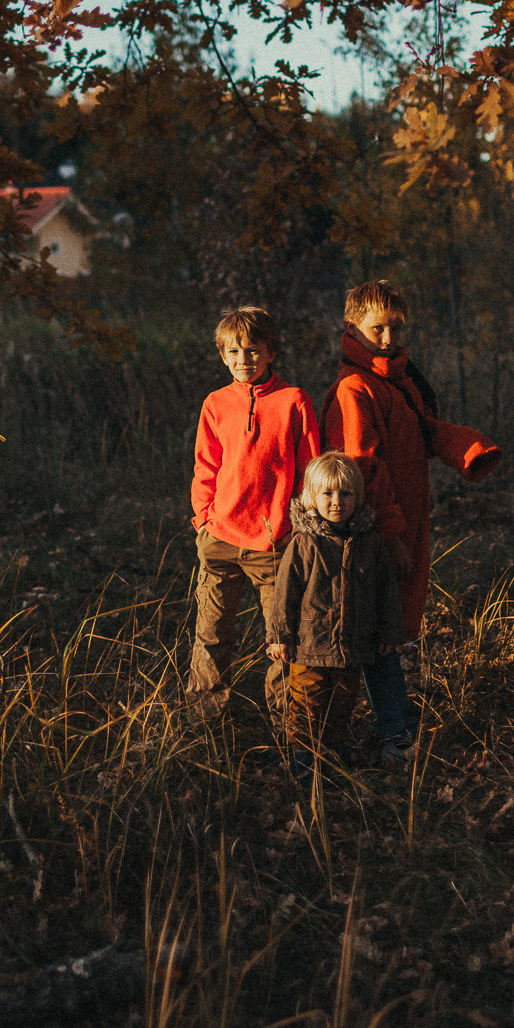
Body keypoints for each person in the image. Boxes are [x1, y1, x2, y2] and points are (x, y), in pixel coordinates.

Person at [320, 280, 502, 766]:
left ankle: (390, 724)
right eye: (376, 327)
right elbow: (361, 468)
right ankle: (391, 736)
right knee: (376, 631)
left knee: (389, 627)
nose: (386, 337)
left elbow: (424, 430)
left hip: (403, 522)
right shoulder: (354, 388)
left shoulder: (398, 380)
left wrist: (468, 449)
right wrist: (390, 533)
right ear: (351, 326)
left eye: (394, 327)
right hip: (374, 531)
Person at [186, 305, 320, 720]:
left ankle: (289, 727)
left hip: (274, 543)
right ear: (222, 356)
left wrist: (298, 531)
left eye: (251, 350)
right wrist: (204, 520)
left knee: (283, 637)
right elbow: (205, 467)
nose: (243, 360)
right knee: (211, 636)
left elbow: (310, 468)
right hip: (221, 537)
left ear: (271, 352)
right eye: (233, 352)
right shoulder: (216, 403)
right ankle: (205, 723)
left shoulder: (293, 400)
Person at [267, 452, 407, 775]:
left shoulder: (369, 542)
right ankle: (303, 762)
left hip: (352, 647)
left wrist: (388, 633)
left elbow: (386, 591)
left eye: (345, 494)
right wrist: (279, 637)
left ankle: (332, 756)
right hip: (310, 647)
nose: (336, 502)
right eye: (327, 494)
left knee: (342, 704)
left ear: (357, 497)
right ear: (312, 497)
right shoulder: (304, 543)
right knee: (306, 703)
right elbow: (284, 594)